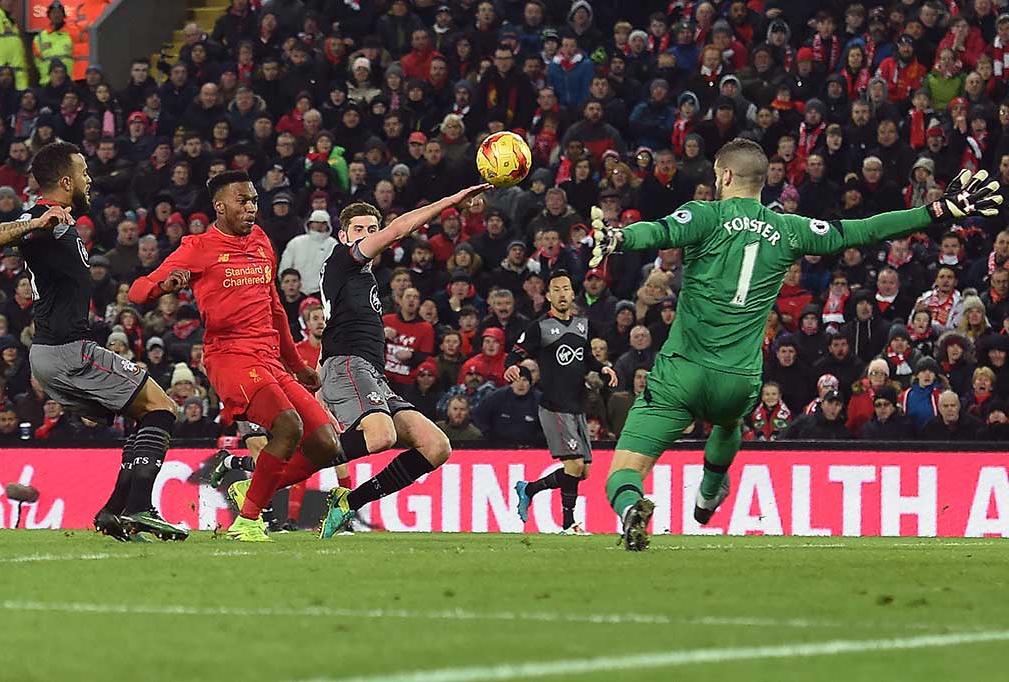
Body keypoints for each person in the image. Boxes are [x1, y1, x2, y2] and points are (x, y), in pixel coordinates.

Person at [588, 138, 1002, 550]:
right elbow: (867, 228)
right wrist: (937, 209)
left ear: (726, 176)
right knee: (728, 422)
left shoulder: (705, 215)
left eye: (716, 175)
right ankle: (710, 490)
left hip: (682, 372)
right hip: (738, 381)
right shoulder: (790, 228)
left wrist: (617, 239)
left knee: (624, 470)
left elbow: (658, 231)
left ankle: (630, 509)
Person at [0, 141, 185, 542]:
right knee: (164, 407)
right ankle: (140, 507)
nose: (89, 179)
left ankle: (113, 512)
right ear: (66, 180)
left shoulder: (62, 222)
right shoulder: (46, 217)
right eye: (83, 172)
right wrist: (34, 224)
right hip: (66, 350)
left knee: (144, 416)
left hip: (54, 352)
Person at [129, 171, 344, 542]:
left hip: (269, 357)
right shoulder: (198, 247)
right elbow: (137, 291)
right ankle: (248, 520)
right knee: (288, 426)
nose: (251, 208)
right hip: (230, 356)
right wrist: (165, 284)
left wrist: (297, 366)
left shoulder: (261, 240)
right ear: (220, 206)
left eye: (254, 201)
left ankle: (250, 489)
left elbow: (275, 306)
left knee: (326, 445)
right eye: (242, 201)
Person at [315, 183, 490, 539]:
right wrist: (451, 200)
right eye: (359, 230)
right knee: (381, 434)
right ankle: (266, 475)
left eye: (371, 230)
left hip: (369, 373)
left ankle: (348, 503)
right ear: (343, 235)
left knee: (436, 446)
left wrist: (320, 379)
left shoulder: (360, 278)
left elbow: (334, 326)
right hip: (350, 365)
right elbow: (400, 229)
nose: (367, 236)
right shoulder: (341, 258)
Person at [507, 269, 617, 534]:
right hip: (554, 405)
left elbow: (586, 357)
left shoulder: (582, 324)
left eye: (566, 288)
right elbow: (516, 352)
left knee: (584, 471)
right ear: (548, 296)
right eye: (556, 289)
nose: (562, 294)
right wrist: (510, 367)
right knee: (575, 465)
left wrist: (602, 368)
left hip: (576, 405)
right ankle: (569, 524)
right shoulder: (540, 327)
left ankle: (529, 489)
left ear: (571, 293)